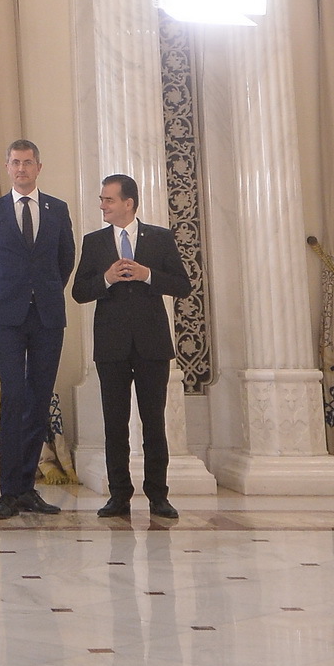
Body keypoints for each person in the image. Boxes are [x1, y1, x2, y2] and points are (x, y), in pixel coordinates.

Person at [71, 172, 194, 519]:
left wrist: (147, 275)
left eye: (108, 199)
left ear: (129, 203)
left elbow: (182, 285)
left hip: (152, 344)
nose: (102, 205)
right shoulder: (94, 242)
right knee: (115, 424)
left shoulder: (159, 238)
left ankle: (158, 496)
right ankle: (119, 495)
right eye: (102, 199)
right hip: (111, 346)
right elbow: (79, 291)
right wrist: (107, 279)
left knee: (154, 423)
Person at [0, 138, 76, 520]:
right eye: (15, 162)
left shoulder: (57, 209)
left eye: (27, 162)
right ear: (7, 167)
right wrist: (2, 294)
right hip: (8, 319)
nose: (21, 169)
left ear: (38, 167)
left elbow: (67, 259)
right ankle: (8, 491)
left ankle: (28, 488)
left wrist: (44, 291)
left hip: (47, 317)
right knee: (14, 397)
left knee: (38, 399)